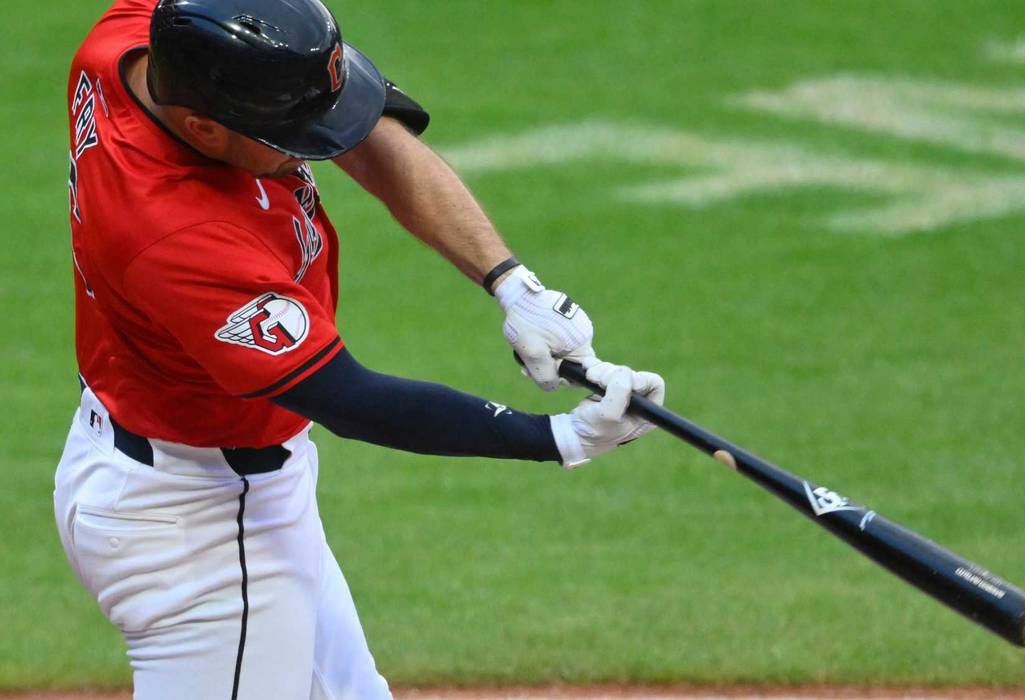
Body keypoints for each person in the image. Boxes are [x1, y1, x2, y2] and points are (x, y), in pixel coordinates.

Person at [55, 0, 666, 697]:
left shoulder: (143, 40)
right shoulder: (171, 234)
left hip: (212, 478)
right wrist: (558, 436)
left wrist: (511, 283)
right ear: (205, 126)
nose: (317, 145)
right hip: (199, 530)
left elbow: (362, 130)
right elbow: (349, 398)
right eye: (292, 133)